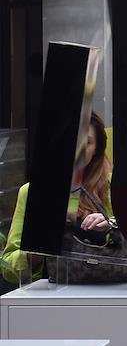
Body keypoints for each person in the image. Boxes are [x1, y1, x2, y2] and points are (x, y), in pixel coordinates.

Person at [1, 112, 115, 284]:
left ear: (97, 149)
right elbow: (9, 268)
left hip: (113, 292)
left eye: (86, 142)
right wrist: (37, 249)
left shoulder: (115, 187)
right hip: (55, 294)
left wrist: (112, 225)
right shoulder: (32, 192)